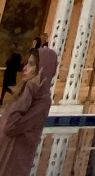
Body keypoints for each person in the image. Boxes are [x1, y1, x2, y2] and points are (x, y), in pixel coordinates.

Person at [0, 46, 56, 176]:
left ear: (42, 69)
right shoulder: (26, 92)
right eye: (26, 63)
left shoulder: (42, 101)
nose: (25, 68)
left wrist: (30, 89)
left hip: (11, 163)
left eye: (31, 64)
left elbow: (10, 126)